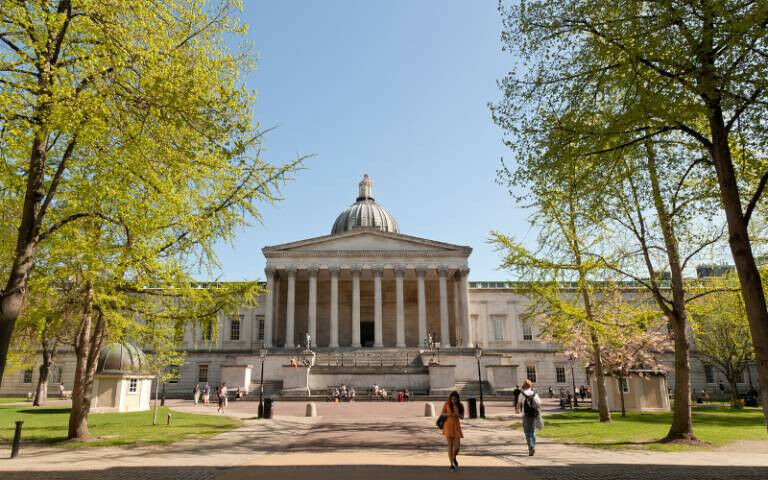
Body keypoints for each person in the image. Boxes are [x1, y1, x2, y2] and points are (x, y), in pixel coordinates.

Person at [517, 379, 542, 456]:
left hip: (525, 414)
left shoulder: (522, 394)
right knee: (533, 431)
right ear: (531, 385)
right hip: (534, 414)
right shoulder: (535, 393)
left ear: (524, 385)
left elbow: (519, 403)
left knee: (527, 432)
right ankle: (533, 446)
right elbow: (539, 404)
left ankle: (531, 447)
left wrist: (517, 410)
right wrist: (539, 412)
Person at [441, 391, 464, 471]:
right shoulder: (447, 404)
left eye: (455, 399)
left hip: (456, 426)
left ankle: (454, 457)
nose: (453, 400)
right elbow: (442, 413)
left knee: (457, 447)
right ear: (450, 398)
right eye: (452, 399)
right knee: (450, 446)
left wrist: (458, 414)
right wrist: (449, 414)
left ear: (457, 399)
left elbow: (462, 417)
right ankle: (451, 465)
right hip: (448, 426)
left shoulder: (460, 405)